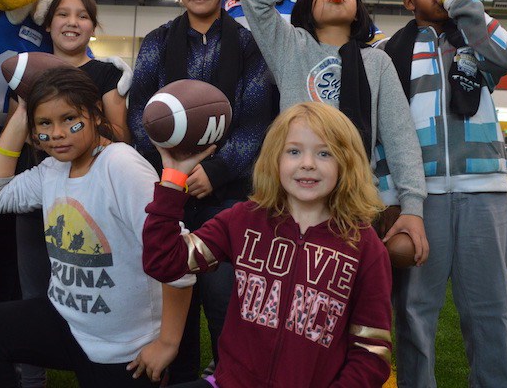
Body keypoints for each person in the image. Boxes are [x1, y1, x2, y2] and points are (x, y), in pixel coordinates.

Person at [0, 67, 193, 387]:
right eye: (45, 124)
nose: (57, 133)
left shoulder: (121, 165)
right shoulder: (52, 169)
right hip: (67, 322)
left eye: (69, 119)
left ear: (96, 115)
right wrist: (24, 111)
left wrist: (167, 342)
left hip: (123, 348)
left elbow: (176, 255)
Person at [143, 101, 393, 388]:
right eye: (294, 151)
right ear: (275, 158)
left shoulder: (364, 247)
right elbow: (164, 261)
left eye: (324, 153)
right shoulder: (243, 220)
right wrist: (174, 179)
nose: (307, 163)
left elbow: (372, 353)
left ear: (346, 162)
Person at [128, 0, 275, 380]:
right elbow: (139, 114)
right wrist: (173, 169)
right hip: (168, 191)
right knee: (172, 300)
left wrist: (215, 170)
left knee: (225, 299)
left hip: (227, 197)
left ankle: (231, 374)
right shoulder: (157, 41)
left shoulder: (250, 45)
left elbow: (257, 122)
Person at [379, 0, 507, 388]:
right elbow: (381, 133)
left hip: (485, 193)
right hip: (420, 200)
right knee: (414, 312)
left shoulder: (476, 40)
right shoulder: (389, 54)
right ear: (408, 1)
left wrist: (464, 3)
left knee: (490, 310)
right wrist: (391, 199)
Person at [238, 0, 428, 256]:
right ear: (305, 5)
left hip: (355, 199)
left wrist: (413, 206)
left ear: (358, 10)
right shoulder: (289, 46)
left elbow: (401, 138)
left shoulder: (377, 63)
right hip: (292, 195)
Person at [14, 0, 130, 387]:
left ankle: (94, 368)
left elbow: (120, 137)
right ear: (49, 24)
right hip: (37, 200)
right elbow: (20, 135)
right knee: (34, 294)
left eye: (82, 15)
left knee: (94, 294)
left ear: (92, 26)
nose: (72, 22)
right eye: (63, 14)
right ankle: (33, 379)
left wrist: (80, 131)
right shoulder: (29, 73)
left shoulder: (107, 74)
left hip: (92, 203)